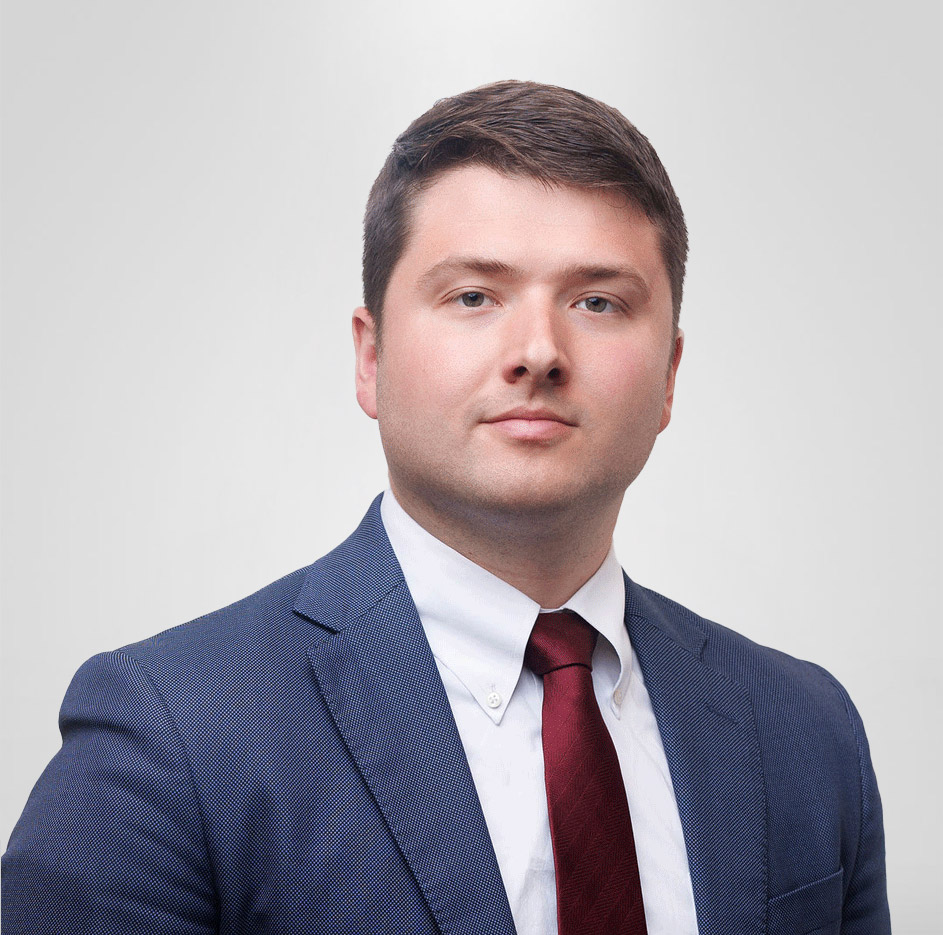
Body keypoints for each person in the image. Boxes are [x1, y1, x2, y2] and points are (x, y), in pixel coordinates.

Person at [2, 80, 890, 935]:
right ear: (370, 358)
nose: (538, 351)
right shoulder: (168, 735)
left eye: (597, 301)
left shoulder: (807, 732)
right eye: (473, 296)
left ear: (669, 376)